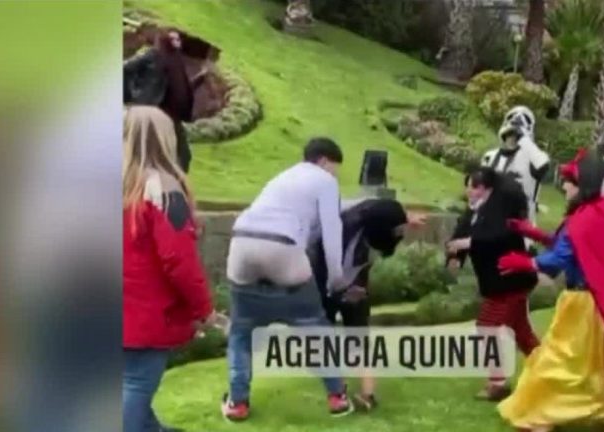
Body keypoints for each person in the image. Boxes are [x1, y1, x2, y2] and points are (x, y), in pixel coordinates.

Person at [497, 149, 604, 432]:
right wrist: (536, 234)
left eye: (569, 181)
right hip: (602, 306)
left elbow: (561, 257)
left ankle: (544, 414)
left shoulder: (583, 217)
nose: (563, 187)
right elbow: (577, 246)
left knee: (559, 359)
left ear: (582, 184)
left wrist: (525, 262)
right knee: (599, 365)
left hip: (580, 305)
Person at [221, 137, 352, 421]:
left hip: (242, 243)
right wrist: (336, 279)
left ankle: (237, 403)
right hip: (283, 248)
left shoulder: (282, 178)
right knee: (315, 328)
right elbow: (332, 228)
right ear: (325, 161)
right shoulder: (325, 180)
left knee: (241, 334)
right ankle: (337, 396)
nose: (335, 176)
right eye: (335, 169)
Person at [123, 106, 216, 432]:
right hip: (145, 314)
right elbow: (179, 261)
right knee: (135, 387)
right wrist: (203, 309)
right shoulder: (163, 190)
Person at [308, 198, 425, 411]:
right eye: (396, 229)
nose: (399, 234)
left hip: (354, 281)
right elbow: (326, 264)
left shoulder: (373, 215)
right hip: (326, 281)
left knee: (357, 337)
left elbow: (385, 213)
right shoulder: (338, 232)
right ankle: (338, 389)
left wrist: (405, 220)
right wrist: (343, 288)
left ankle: (367, 395)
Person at [445, 167, 539, 401]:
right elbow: (460, 235)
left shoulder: (500, 212)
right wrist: (455, 257)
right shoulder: (474, 211)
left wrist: (468, 243)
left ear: (488, 189)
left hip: (511, 281)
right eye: (468, 185)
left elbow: (496, 237)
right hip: (499, 283)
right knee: (522, 333)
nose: (470, 191)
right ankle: (548, 369)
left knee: (486, 326)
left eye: (475, 186)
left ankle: (498, 383)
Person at [123, 29, 211, 173]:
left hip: (172, 116)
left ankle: (175, 185)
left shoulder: (176, 61)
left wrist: (200, 78)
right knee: (147, 153)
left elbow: (180, 88)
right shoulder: (153, 55)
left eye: (178, 40)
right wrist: (132, 94)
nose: (178, 43)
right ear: (165, 41)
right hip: (155, 113)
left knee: (183, 156)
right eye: (173, 40)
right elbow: (126, 68)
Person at [481, 106, 551, 228]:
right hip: (490, 223)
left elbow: (543, 165)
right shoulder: (489, 157)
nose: (512, 137)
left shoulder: (532, 158)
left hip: (520, 228)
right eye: (510, 134)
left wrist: (523, 139)